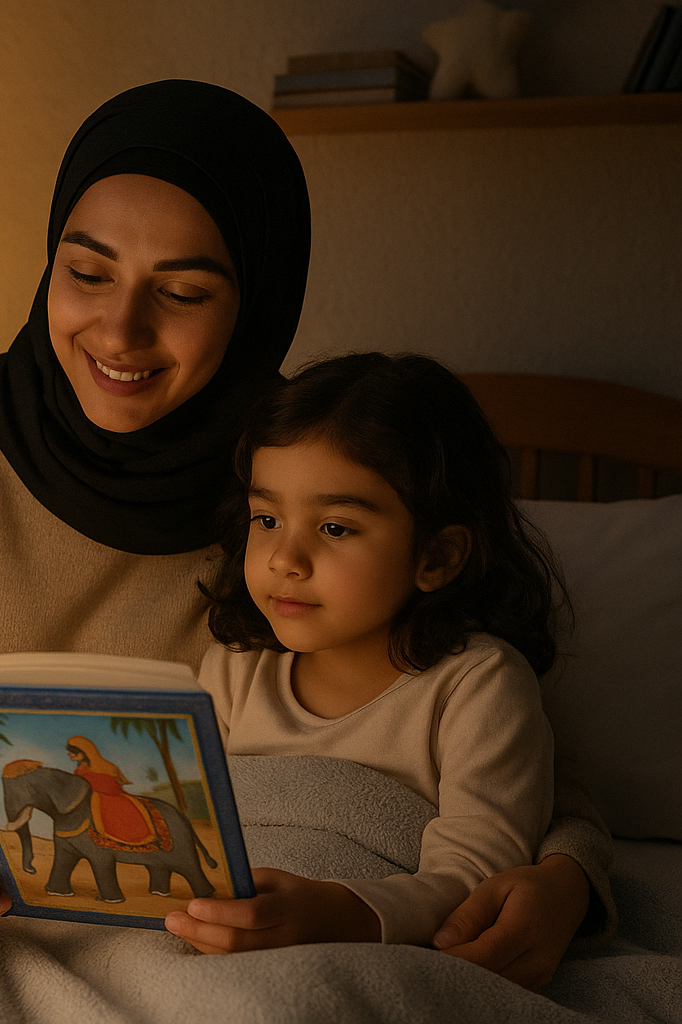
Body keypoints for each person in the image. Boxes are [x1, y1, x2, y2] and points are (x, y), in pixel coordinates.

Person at [0, 81, 607, 1020]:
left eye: (184, 291)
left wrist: (568, 876)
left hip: (18, 898)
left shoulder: (297, 477)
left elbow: (490, 753)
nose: (120, 331)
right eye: (87, 271)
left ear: (257, 302)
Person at [167, 351, 572, 954]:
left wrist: (344, 914)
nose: (285, 559)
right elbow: (194, 834)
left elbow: (478, 876)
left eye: (335, 527)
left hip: (361, 940)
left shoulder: (479, 684)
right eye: (267, 518)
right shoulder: (235, 666)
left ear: (437, 557)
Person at [66, 736, 156, 847]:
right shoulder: (80, 767)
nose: (69, 755)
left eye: (72, 752)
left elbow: (111, 787)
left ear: (84, 753)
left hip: (108, 796)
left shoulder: (106, 767)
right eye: (69, 752)